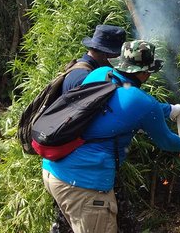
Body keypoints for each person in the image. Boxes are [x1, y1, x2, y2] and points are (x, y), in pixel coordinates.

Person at [42, 40, 180, 233]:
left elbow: (120, 106)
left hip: (54, 169)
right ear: (143, 73)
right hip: (85, 186)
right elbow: (166, 141)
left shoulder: (99, 74)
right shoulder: (143, 102)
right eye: (148, 71)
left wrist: (170, 110)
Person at [52, 24, 126, 233]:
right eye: (113, 55)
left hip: (65, 165)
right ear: (105, 53)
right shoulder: (85, 78)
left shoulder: (79, 67)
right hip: (77, 170)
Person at [62, 24, 127, 92]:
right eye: (118, 55)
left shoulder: (79, 66)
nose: (120, 59)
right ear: (105, 55)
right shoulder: (87, 80)